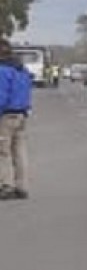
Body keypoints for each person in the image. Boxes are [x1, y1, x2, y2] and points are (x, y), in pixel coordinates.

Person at [0, 40, 31, 200]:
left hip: (6, 115)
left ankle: (6, 185)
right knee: (19, 151)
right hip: (21, 114)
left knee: (2, 152)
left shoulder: (2, 70)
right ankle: (22, 186)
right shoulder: (22, 69)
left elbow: (1, 96)